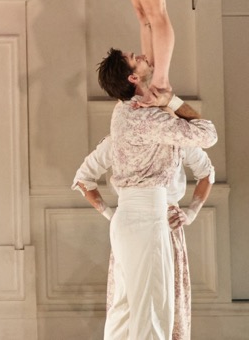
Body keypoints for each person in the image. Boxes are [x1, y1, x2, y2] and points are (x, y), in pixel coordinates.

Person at [87, 48, 217, 339]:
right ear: (133, 78)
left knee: (124, 311)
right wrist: (171, 100)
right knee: (153, 313)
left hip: (126, 219)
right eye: (135, 58)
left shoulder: (122, 111)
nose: (142, 55)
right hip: (148, 219)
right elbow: (208, 134)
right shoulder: (146, 118)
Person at [74, 137, 214, 340]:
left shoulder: (175, 137)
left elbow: (207, 173)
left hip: (166, 226)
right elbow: (83, 178)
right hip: (130, 230)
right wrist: (111, 215)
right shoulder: (118, 139)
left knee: (160, 301)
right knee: (127, 302)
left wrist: (191, 214)